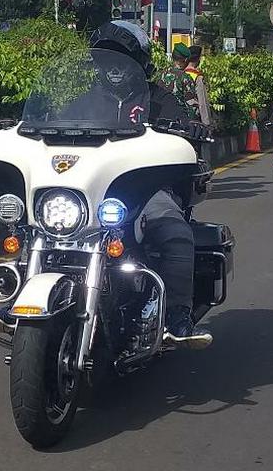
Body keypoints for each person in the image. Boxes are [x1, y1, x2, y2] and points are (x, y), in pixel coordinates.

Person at [89, 21, 212, 347]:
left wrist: (190, 128)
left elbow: (184, 125)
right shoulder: (88, 99)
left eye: (122, 59)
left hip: (144, 188)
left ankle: (176, 316)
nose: (114, 67)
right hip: (93, 189)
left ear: (140, 63)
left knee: (175, 233)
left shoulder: (159, 98)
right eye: (107, 59)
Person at [156, 42, 199, 120]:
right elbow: (192, 106)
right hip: (178, 122)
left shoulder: (160, 74)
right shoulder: (185, 78)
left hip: (159, 119)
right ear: (185, 60)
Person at [184, 44, 212, 125]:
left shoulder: (181, 74)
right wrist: (207, 124)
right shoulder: (197, 77)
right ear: (198, 59)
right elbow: (203, 103)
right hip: (194, 120)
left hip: (180, 117)